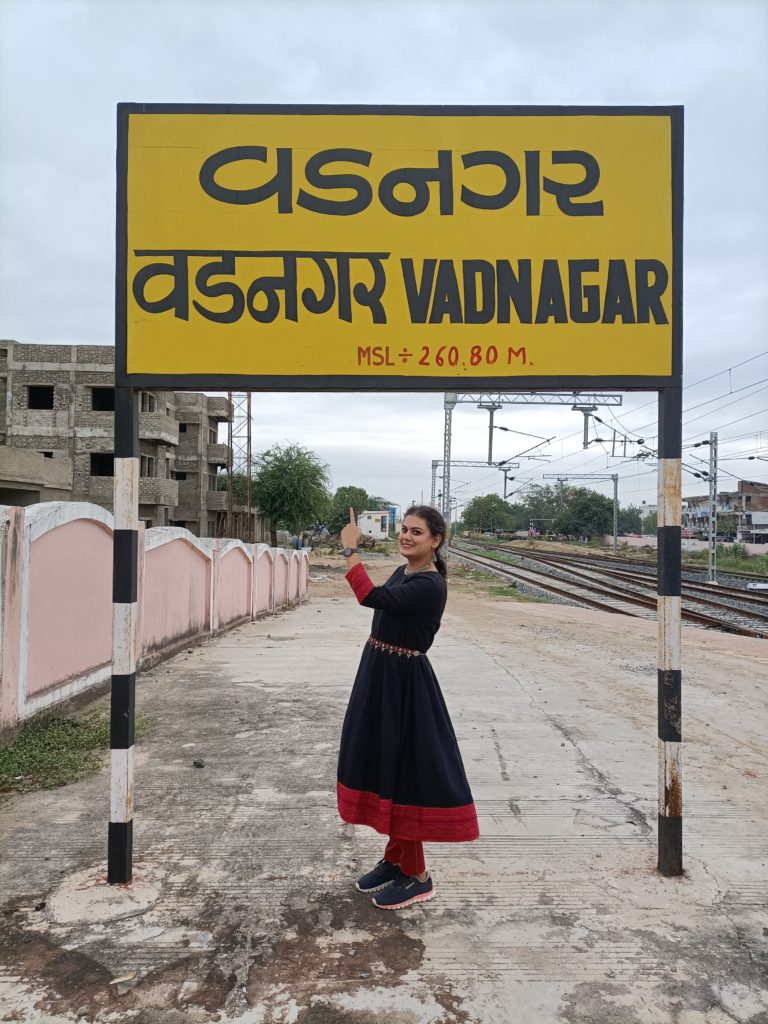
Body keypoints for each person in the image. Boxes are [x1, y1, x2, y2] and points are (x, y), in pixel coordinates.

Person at [337, 505, 479, 910]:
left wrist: (351, 551)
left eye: (416, 532)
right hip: (381, 677)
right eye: (404, 529)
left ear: (435, 541)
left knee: (404, 774)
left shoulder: (430, 585)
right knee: (386, 767)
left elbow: (370, 596)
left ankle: (417, 876)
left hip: (404, 687)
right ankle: (396, 859)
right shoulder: (406, 572)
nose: (406, 536)